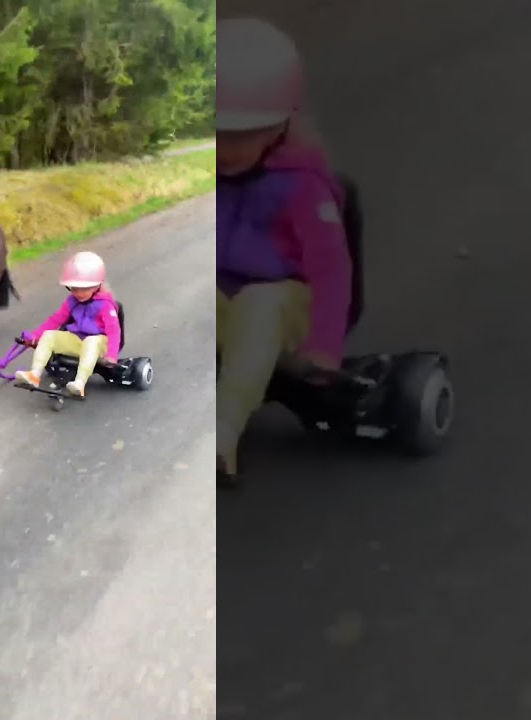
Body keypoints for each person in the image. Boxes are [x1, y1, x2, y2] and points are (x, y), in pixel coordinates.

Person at [216, 17, 353, 490]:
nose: (226, 150)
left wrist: (325, 347)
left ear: (278, 125)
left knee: (262, 301)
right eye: (217, 135)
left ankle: (221, 433)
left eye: (241, 135)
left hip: (289, 305)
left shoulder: (301, 186)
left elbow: (332, 270)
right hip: (225, 298)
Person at [15, 251, 122, 397]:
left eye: (84, 288)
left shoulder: (106, 305)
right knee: (49, 336)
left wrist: (111, 356)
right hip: (78, 340)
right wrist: (35, 336)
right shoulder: (72, 301)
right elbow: (56, 319)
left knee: (91, 341)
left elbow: (114, 331)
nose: (79, 293)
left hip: (99, 343)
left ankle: (80, 383)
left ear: (97, 285)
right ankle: (34, 374)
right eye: (74, 288)